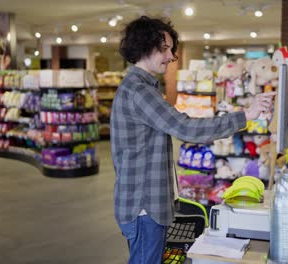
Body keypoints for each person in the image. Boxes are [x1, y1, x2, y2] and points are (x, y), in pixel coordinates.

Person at [111, 16, 275, 264]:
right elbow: (185, 128)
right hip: (143, 206)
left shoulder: (142, 87)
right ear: (144, 45)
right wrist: (246, 115)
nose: (170, 56)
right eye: (164, 48)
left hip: (144, 203)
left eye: (170, 49)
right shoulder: (139, 91)